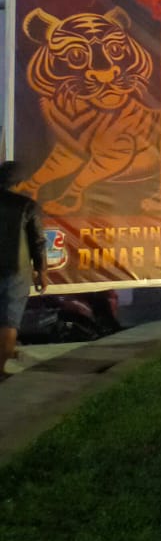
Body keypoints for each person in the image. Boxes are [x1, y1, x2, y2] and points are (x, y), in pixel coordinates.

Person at [0, 161, 48, 380]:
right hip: (16, 271)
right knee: (9, 323)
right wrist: (41, 271)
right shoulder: (26, 205)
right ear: (19, 183)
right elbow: (38, 241)